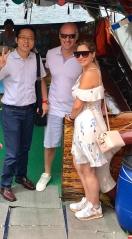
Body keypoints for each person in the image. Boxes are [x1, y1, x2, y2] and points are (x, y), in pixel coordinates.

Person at [0, 25, 49, 202]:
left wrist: (44, 101)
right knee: (12, 151)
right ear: (16, 40)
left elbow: (41, 80)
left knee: (24, 148)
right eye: (23, 37)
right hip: (11, 112)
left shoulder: (36, 58)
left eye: (30, 38)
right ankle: (5, 185)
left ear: (33, 41)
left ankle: (20, 176)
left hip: (29, 110)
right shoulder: (8, 60)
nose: (26, 41)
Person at [36, 22, 82, 192]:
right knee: (50, 143)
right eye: (64, 35)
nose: (67, 39)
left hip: (76, 108)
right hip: (54, 105)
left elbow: (93, 76)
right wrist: (44, 101)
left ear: (77, 36)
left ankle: (74, 175)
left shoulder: (82, 55)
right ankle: (46, 173)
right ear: (59, 36)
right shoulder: (50, 54)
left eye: (71, 36)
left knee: (75, 145)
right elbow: (45, 76)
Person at [67, 39, 109, 220]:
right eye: (78, 54)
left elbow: (78, 105)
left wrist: (71, 116)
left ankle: (95, 206)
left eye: (85, 53)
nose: (81, 57)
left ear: (93, 54)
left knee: (87, 167)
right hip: (84, 122)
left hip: (88, 123)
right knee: (79, 163)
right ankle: (89, 200)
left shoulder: (90, 74)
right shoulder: (87, 71)